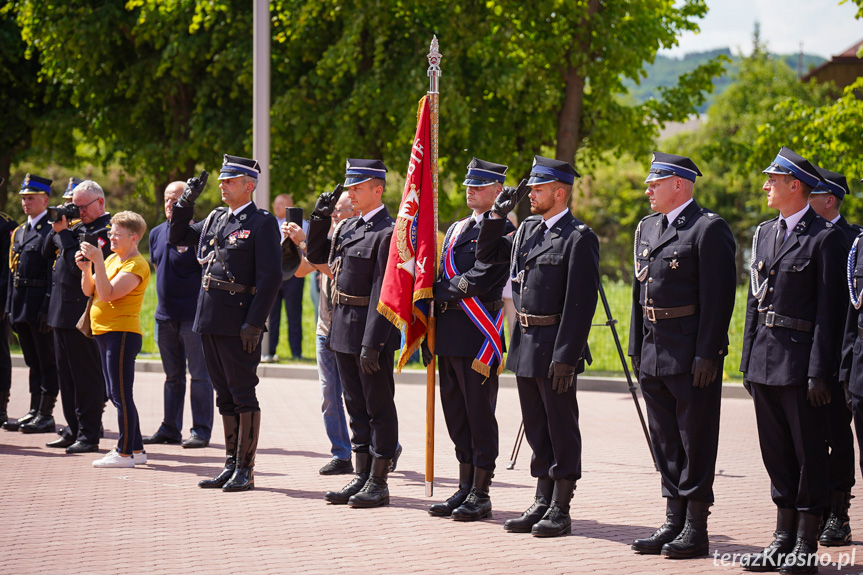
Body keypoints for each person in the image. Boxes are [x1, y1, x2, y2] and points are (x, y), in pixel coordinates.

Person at [476, 155, 599, 538]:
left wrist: (567, 356)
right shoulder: (529, 229)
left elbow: (581, 305)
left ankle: (561, 504)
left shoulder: (579, 237)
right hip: (526, 341)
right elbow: (487, 255)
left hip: (555, 344)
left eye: (539, 189)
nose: (530, 194)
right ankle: (541, 497)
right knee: (535, 427)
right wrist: (496, 216)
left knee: (561, 426)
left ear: (559, 192)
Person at [740, 147, 846, 574]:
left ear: (794, 185)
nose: (766, 186)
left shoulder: (825, 238)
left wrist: (820, 371)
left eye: (773, 179)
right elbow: (753, 301)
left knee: (809, 455)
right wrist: (747, 359)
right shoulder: (766, 233)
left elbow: (830, 312)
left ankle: (805, 541)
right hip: (765, 360)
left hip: (802, 364)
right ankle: (781, 538)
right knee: (776, 452)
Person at [627, 153, 736, 559]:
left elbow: (719, 298)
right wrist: (637, 347)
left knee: (695, 438)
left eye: (656, 182)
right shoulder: (648, 228)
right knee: (666, 441)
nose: (648, 189)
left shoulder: (708, 229)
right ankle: (672, 519)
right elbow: (641, 295)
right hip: (654, 347)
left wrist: (709, 352)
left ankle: (695, 525)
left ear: (680, 184)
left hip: (690, 351)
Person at [169, 155, 281, 492]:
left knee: (243, 392)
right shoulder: (217, 218)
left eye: (229, 181)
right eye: (221, 181)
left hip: (239, 320)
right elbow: (179, 236)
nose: (222, 186)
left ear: (249, 186)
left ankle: (245, 468)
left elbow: (271, 277)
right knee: (224, 395)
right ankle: (230, 464)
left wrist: (254, 323)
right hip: (210, 317)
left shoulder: (261, 223)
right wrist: (186, 201)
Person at [306, 159, 400, 508]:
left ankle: (378, 480)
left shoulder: (388, 232)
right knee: (355, 406)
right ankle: (360, 476)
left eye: (357, 188)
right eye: (350, 188)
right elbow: (317, 256)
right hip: (342, 326)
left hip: (369, 331)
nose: (351, 193)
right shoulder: (347, 228)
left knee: (378, 406)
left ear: (377, 189)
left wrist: (372, 342)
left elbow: (382, 290)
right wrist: (320, 216)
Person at [424, 158, 515, 521]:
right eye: (468, 184)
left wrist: (438, 290)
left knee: (479, 414)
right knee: (456, 413)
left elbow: (482, 275)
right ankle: (463, 486)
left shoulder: (504, 229)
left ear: (498, 191)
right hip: (448, 332)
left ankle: (481, 490)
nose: (470, 190)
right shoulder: (457, 228)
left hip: (479, 335)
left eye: (479, 185)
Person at [284, 191, 356, 475]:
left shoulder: (356, 238)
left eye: (340, 210)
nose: (334, 215)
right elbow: (301, 271)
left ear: (356, 211)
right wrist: (295, 246)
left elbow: (338, 273)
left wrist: (306, 241)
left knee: (358, 396)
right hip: (325, 328)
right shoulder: (326, 241)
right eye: (332, 211)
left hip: (349, 329)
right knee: (329, 394)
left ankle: (386, 446)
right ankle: (341, 453)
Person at [808, 165, 860, 549]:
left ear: (830, 199)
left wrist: (841, 366)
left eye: (812, 195)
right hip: (802, 355)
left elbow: (847, 310)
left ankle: (838, 515)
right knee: (808, 439)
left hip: (839, 356)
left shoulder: (852, 239)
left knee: (838, 436)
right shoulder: (801, 234)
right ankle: (813, 511)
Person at [143, 181, 214, 449]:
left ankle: (201, 430)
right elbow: (157, 267)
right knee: (173, 376)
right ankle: (170, 428)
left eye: (177, 198)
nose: (171, 203)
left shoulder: (198, 234)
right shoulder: (156, 233)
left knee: (199, 376)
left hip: (193, 318)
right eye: (167, 199)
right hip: (164, 317)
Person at [43, 178, 112, 454]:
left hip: (82, 313)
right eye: (75, 206)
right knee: (66, 376)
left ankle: (89, 433)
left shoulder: (105, 230)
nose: (79, 212)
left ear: (100, 203)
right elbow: (46, 252)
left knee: (86, 377)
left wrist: (66, 236)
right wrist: (58, 229)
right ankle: (72, 429)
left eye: (83, 207)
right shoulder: (76, 228)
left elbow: (78, 269)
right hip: (61, 312)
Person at [77, 211, 151, 468]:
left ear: (133, 237)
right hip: (104, 332)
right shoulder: (110, 259)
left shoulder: (136, 265)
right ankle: (137, 449)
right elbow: (90, 290)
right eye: (110, 233)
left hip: (122, 333)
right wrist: (87, 268)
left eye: (117, 234)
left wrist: (97, 260)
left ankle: (123, 452)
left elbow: (107, 295)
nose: (111, 237)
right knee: (116, 393)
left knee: (120, 394)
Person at [4, 174, 59, 434]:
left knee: (46, 361)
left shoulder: (52, 229)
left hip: (39, 306)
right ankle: (34, 409)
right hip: (21, 305)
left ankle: (46, 413)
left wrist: (48, 308)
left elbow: (53, 272)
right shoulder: (20, 231)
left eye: (31, 198)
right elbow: (12, 273)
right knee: (32, 361)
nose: (26, 203)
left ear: (45, 200)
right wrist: (9, 308)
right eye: (24, 198)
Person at [263, 193, 306, 362]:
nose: (278, 207)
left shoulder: (303, 225)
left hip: (295, 274)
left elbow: (308, 249)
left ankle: (296, 352)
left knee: (294, 314)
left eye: (282, 204)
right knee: (271, 315)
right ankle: (270, 350)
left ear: (291, 205)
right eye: (276, 204)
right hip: (274, 274)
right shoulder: (269, 224)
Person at [0, 176, 17, 427]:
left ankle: (1, 407)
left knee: (0, 355)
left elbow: (8, 270)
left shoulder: (6, 226)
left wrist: (3, 304)